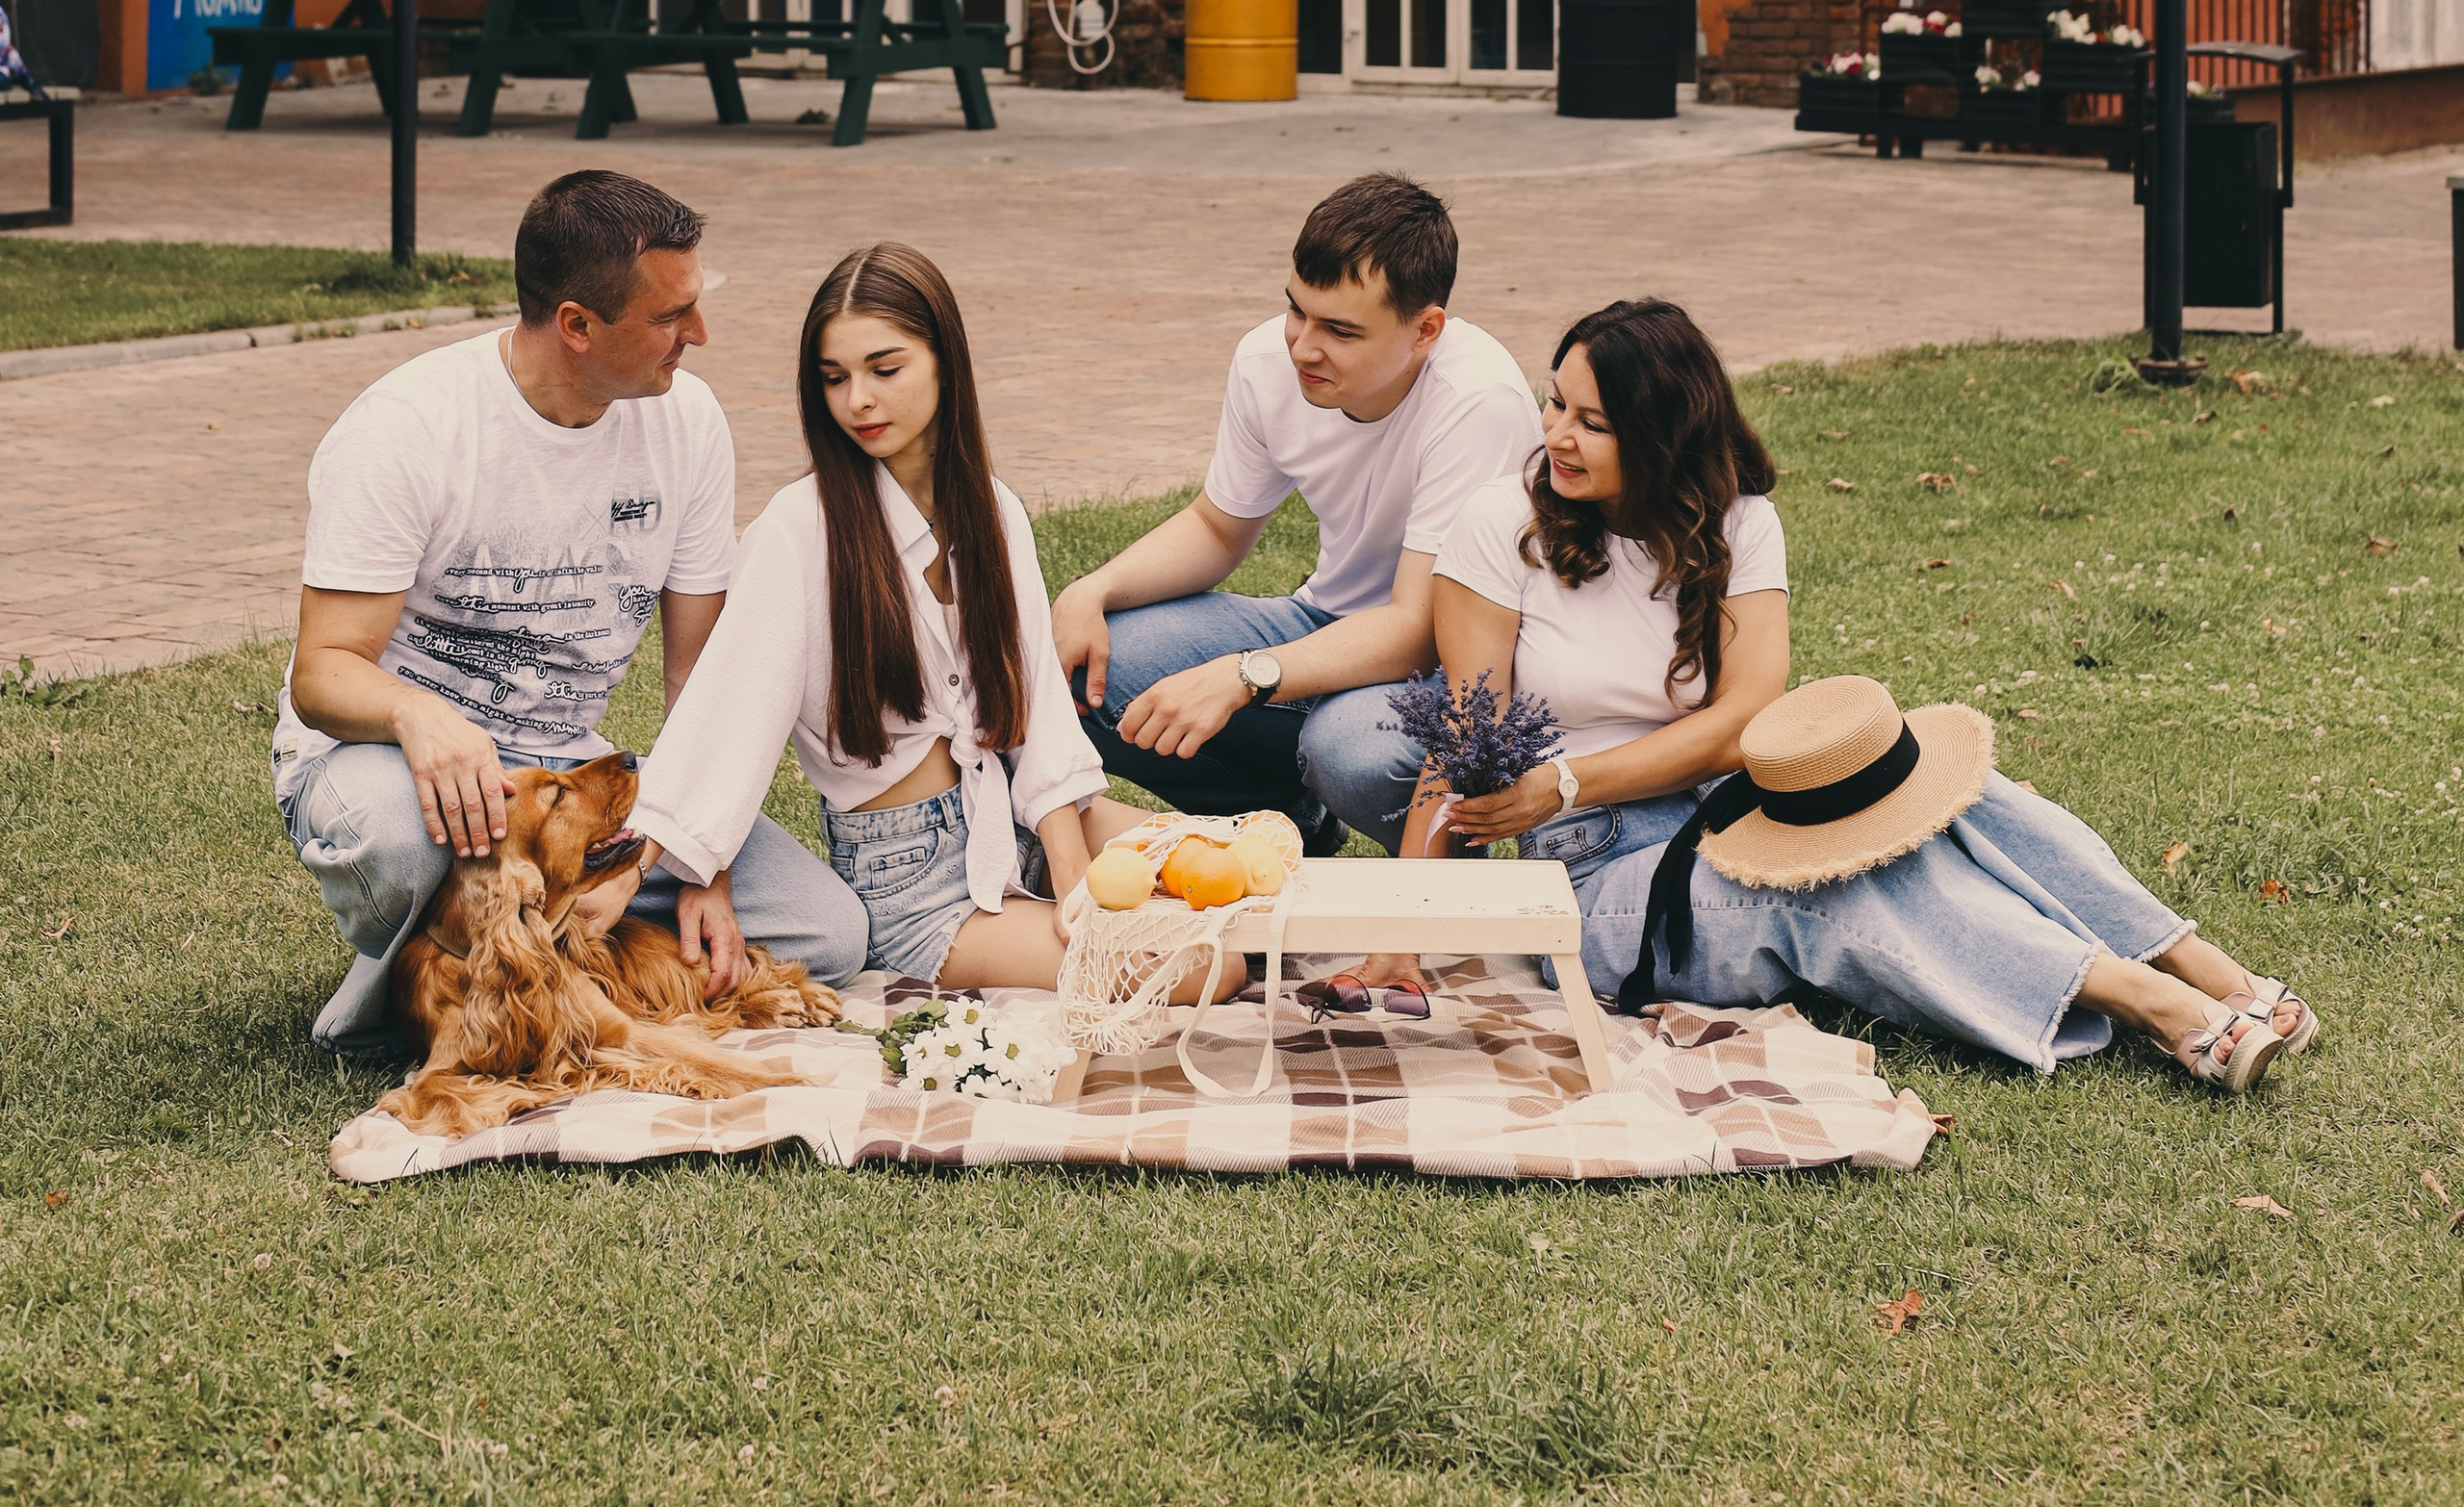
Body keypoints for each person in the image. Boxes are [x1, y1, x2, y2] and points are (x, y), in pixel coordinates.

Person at [1382, 294, 2318, 1088]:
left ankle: (2198, 964)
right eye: (1554, 406)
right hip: (1593, 873)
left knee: (1956, 793)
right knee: (1821, 893)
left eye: (1591, 422)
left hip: (1727, 799)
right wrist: (1399, 932)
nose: (1555, 437)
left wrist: (1575, 775)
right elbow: (1461, 741)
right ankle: (2146, 999)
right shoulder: (1502, 522)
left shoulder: (1739, 523)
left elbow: (1743, 720)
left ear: (1666, 437)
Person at [274, 170, 868, 1043]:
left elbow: (702, 680)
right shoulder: (408, 429)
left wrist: (695, 855)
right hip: (388, 761)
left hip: (566, 780)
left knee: (827, 932)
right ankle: (402, 991)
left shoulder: (690, 424)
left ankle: (535, 965)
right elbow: (322, 672)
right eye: (670, 319)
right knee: (403, 846)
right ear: (577, 326)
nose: (697, 336)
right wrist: (417, 716)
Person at [633, 242, 1157, 989]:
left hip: (1014, 818)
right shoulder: (799, 528)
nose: (858, 402)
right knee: (1193, 963)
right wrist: (700, 869)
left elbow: (1038, 705)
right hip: (910, 882)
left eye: (885, 370)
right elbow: (728, 716)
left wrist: (1073, 871)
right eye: (835, 379)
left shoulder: (994, 510)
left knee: (1245, 884)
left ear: (945, 360)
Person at [1052, 170, 1537, 855]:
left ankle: (1442, 880)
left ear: (1425, 329)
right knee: (1082, 672)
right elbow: (1218, 528)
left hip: (1457, 669)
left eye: (1340, 330)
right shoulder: (1266, 360)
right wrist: (1091, 590)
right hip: (1326, 621)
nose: (1302, 346)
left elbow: (1421, 631)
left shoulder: (1478, 400)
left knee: (1346, 747)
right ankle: (1288, 825)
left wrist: (1245, 675)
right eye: (1296, 311)